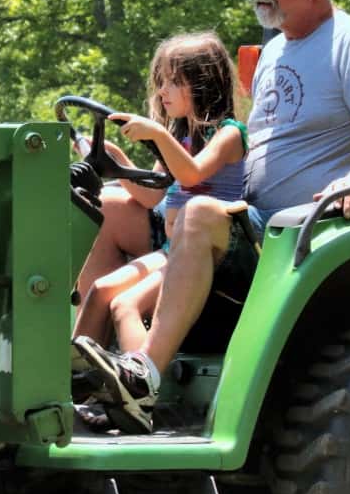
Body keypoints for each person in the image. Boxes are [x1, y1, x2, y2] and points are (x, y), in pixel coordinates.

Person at [77, 0, 350, 432]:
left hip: (303, 234)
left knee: (200, 212)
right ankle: (77, 370)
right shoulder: (275, 51)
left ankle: (144, 376)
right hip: (254, 225)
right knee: (115, 203)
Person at [70, 32, 250, 361]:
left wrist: (158, 134)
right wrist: (118, 164)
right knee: (99, 292)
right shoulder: (179, 137)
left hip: (195, 254)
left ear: (202, 84)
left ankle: (138, 391)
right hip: (168, 250)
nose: (162, 91)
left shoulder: (229, 135)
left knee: (125, 306)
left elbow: (192, 173)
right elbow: (152, 197)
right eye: (161, 82)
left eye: (173, 82)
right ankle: (73, 384)